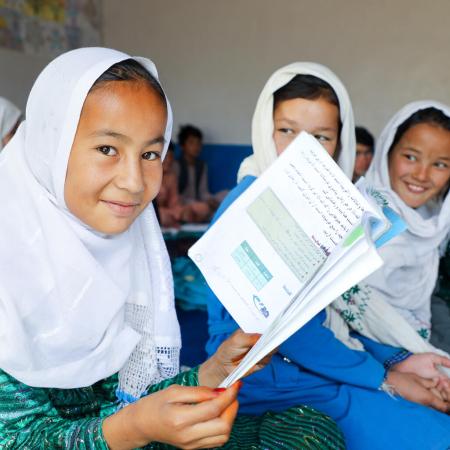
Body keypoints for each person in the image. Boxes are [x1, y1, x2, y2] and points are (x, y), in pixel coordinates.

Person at [0, 48, 344, 450]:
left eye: (150, 154)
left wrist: (210, 373)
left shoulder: (126, 252)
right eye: (108, 149)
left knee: (312, 432)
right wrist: (133, 427)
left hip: (131, 434)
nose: (133, 181)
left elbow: (133, 396)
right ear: (50, 146)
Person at [206, 63, 450, 450]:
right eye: (287, 131)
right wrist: (385, 378)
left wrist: (395, 360)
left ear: (341, 142)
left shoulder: (332, 209)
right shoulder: (251, 205)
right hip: (268, 382)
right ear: (265, 130)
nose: (301, 149)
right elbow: (292, 334)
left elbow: (334, 314)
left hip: (320, 371)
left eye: (321, 137)